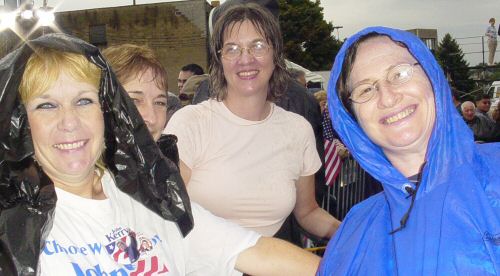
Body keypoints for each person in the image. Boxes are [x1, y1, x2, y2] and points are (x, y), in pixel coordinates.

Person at [0, 33, 321, 275]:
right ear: (19, 125)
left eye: (84, 101)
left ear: (108, 112)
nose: (69, 122)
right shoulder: (13, 225)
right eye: (46, 105)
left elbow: (255, 251)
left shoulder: (152, 195)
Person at [317, 27, 500, 275]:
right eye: (365, 90)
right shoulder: (354, 232)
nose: (388, 98)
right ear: (353, 121)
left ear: (433, 77)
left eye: (399, 74)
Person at [165, 3, 340, 239]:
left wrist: (353, 234)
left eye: (258, 46)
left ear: (275, 54)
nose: (245, 59)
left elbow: (308, 212)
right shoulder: (189, 124)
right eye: (232, 49)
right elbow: (166, 220)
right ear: (220, 59)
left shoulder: (298, 130)